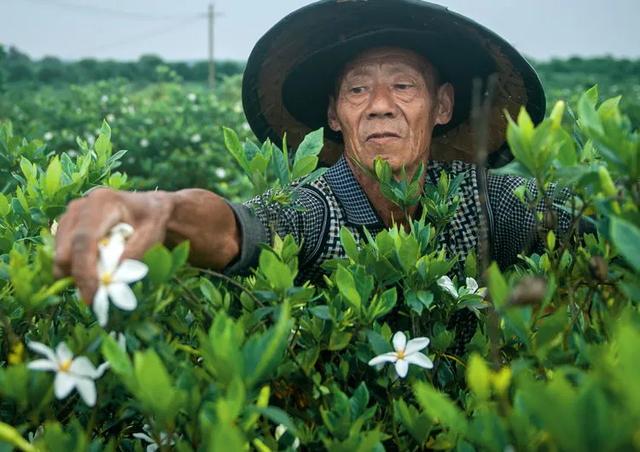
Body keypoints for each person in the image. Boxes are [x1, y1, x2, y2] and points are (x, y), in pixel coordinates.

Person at [54, 0, 572, 303]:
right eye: (357, 90)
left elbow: (596, 224)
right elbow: (238, 227)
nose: (380, 107)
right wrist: (160, 209)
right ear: (334, 115)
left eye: (404, 87)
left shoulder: (488, 203)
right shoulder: (313, 208)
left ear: (442, 106)